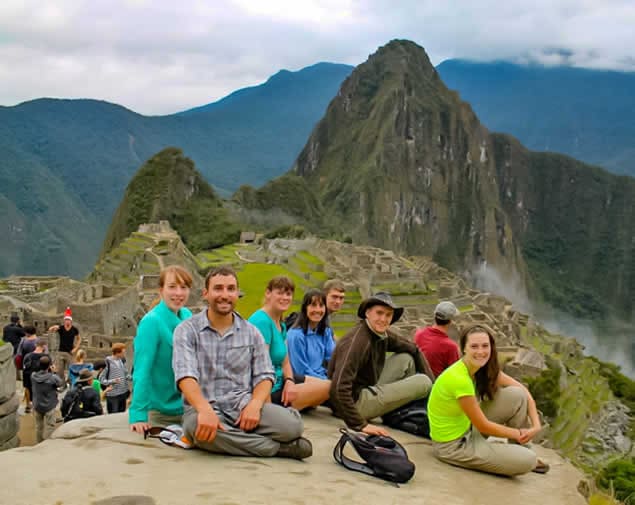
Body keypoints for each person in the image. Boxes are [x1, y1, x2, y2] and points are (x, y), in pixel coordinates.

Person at [173, 265, 311, 459]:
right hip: (203, 407)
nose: (225, 295)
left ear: (237, 294)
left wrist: (255, 405)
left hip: (242, 405)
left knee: (293, 426)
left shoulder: (251, 332)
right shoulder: (187, 330)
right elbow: (185, 375)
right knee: (196, 428)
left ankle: (233, 438)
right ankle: (277, 448)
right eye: (218, 288)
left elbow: (264, 375)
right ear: (206, 293)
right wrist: (204, 410)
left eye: (230, 289)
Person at [427, 324, 549, 476]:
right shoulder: (459, 379)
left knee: (517, 395)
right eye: (474, 346)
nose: (480, 351)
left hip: (468, 428)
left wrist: (536, 426)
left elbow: (523, 391)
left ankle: (521, 449)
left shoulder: (481, 369)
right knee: (528, 460)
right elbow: (483, 426)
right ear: (464, 349)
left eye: (485, 346)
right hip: (453, 446)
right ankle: (523, 455)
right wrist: (519, 433)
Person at [328, 292, 433, 436]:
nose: (383, 319)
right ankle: (397, 415)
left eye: (388, 315)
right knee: (424, 382)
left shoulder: (379, 334)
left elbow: (413, 349)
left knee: (405, 359)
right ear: (367, 313)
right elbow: (338, 387)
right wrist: (359, 424)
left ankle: (398, 410)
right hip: (353, 404)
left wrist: (435, 389)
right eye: (379, 313)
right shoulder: (358, 342)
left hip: (365, 388)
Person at [129, 265, 193, 433]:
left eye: (183, 287)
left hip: (187, 406)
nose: (178, 293)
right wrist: (138, 415)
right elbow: (142, 370)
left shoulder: (187, 315)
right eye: (172, 287)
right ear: (161, 290)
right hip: (162, 411)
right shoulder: (151, 322)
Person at [249, 278, 330, 411]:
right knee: (326, 389)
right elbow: (260, 367)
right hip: (268, 389)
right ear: (268, 293)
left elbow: (285, 361)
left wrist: (289, 381)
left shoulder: (280, 323)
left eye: (288, 294)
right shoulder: (261, 321)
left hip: (281, 380)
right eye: (280, 293)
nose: (285, 298)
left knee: (328, 386)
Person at [287, 289, 335, 380]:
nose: (318, 310)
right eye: (313, 305)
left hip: (323, 377)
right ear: (305, 308)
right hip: (303, 381)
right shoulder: (296, 335)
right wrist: (326, 381)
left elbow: (333, 358)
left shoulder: (326, 331)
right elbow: (301, 370)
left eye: (321, 305)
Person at [414, 301, 461, 378]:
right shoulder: (450, 347)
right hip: (438, 386)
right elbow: (455, 375)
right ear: (450, 321)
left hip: (420, 380)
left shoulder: (419, 334)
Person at [31, 356, 64, 442]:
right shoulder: (53, 377)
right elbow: (60, 383)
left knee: (39, 427)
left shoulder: (33, 376)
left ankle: (39, 443)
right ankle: (47, 444)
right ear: (50, 366)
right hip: (49, 405)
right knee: (50, 426)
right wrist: (54, 372)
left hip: (37, 405)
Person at [48, 307, 81, 382]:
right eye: (66, 320)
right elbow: (50, 329)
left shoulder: (74, 329)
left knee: (72, 369)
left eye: (68, 320)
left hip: (70, 352)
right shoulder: (61, 328)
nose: (67, 321)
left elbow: (79, 339)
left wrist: (76, 348)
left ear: (71, 321)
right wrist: (54, 327)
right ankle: (62, 384)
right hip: (61, 352)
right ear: (64, 321)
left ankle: (70, 383)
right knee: (60, 370)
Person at [99, 343, 130, 413]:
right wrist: (112, 381)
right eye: (123, 352)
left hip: (123, 393)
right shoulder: (108, 362)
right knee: (113, 415)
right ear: (117, 352)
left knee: (120, 415)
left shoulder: (121, 361)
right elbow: (101, 379)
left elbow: (126, 375)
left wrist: (135, 378)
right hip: (113, 395)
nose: (124, 354)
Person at [21, 333, 47, 413]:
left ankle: (28, 405)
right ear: (44, 346)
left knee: (27, 387)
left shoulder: (28, 356)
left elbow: (24, 366)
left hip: (28, 374)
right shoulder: (46, 357)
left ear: (36, 345)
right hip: (40, 376)